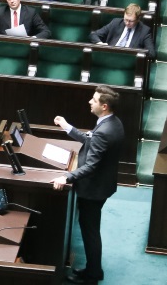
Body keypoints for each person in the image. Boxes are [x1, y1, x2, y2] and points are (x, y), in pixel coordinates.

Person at [50, 86, 124, 285]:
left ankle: (93, 274)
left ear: (104, 106)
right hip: (102, 185)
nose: (90, 102)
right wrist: (67, 127)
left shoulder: (104, 130)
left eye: (94, 100)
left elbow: (91, 166)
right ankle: (93, 269)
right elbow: (90, 141)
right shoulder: (113, 122)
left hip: (94, 189)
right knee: (90, 228)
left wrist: (67, 177)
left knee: (90, 231)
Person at [89, 3, 156, 59]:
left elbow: (152, 54)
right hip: (109, 57)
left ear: (138, 19)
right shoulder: (115, 23)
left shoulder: (144, 31)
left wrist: (135, 54)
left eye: (131, 21)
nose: (127, 23)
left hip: (128, 61)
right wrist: (100, 44)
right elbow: (94, 35)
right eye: (126, 19)